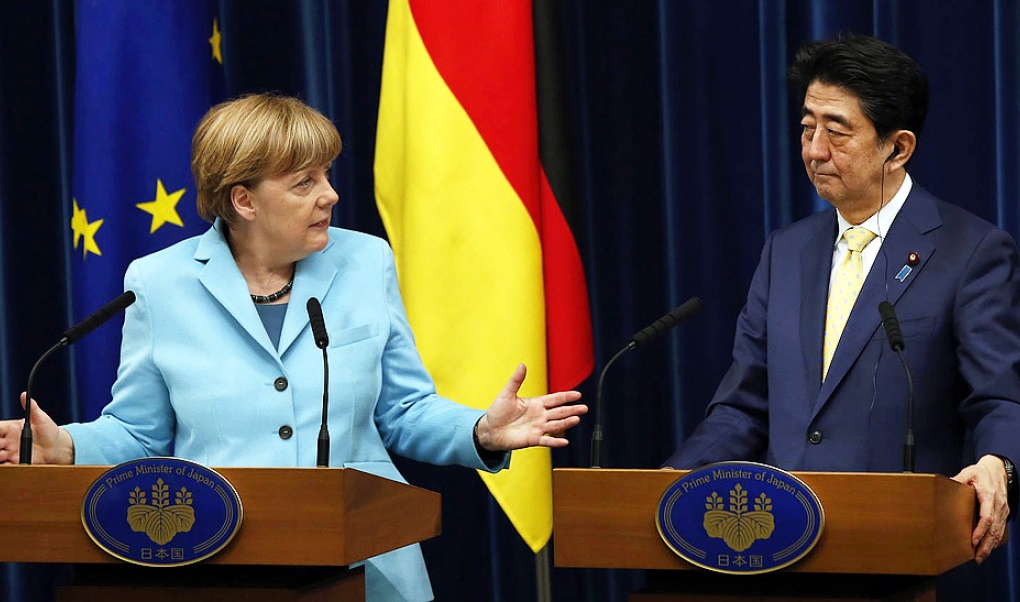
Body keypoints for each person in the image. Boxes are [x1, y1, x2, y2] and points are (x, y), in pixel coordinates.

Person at [0, 93, 587, 602]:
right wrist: (68, 447)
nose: (330, 195)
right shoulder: (159, 283)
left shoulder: (365, 262)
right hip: (221, 559)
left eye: (327, 175)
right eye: (305, 182)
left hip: (370, 564)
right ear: (243, 201)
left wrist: (480, 431)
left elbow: (403, 413)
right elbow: (139, 432)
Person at [664, 35, 1020, 567]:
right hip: (778, 554)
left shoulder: (970, 251)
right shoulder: (786, 251)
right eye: (808, 128)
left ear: (897, 148)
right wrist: (669, 485)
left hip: (900, 554)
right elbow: (743, 405)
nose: (813, 150)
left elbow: (999, 396)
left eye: (837, 132)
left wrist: (999, 463)